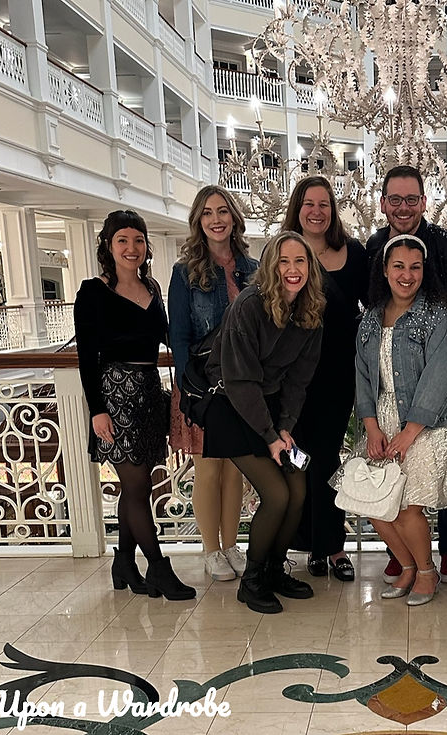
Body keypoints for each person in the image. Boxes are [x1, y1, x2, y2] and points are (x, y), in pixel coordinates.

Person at [74, 209, 195, 601]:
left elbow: (167, 336)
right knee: (138, 485)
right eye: (123, 240)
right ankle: (159, 568)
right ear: (108, 246)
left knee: (136, 484)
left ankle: (124, 561)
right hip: (114, 395)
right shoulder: (92, 292)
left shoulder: (153, 289)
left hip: (147, 392)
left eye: (138, 240)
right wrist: (97, 409)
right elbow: (86, 357)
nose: (132, 248)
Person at [203, 231, 325, 614]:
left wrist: (285, 426)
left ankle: (273, 568)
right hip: (232, 406)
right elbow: (239, 381)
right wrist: (271, 436)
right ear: (272, 266)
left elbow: (298, 379)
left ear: (310, 267)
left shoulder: (310, 310)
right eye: (284, 262)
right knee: (277, 495)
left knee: (298, 490)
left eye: (300, 261)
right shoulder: (250, 305)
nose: (292, 270)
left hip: (272, 409)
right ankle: (252, 581)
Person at [353, 234, 447, 606]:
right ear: (385, 270)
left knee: (406, 506)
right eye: (399, 266)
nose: (407, 275)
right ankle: (406, 566)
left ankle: (426, 572)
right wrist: (371, 426)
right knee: (372, 501)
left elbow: (440, 376)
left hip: (431, 421)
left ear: (425, 271)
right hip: (384, 419)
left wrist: (408, 433)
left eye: (415, 267)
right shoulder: (370, 319)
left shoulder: (438, 315)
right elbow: (362, 376)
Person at [168, 185, 258, 583]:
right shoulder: (184, 273)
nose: (216, 219)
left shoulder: (253, 269)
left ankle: (231, 544)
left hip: (243, 384)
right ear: (198, 221)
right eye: (207, 213)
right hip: (203, 386)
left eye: (223, 211)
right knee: (207, 468)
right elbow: (180, 338)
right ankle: (210, 549)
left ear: (234, 218)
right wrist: (192, 390)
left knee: (235, 469)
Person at [282, 176, 369, 582]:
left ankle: (331, 547)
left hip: (337, 374)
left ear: (332, 211)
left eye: (324, 204)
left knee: (328, 458)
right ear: (297, 208)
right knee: (296, 459)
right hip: (291, 375)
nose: (317, 211)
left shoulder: (353, 252)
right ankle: (304, 544)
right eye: (309, 204)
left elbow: (373, 308)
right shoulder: (284, 253)